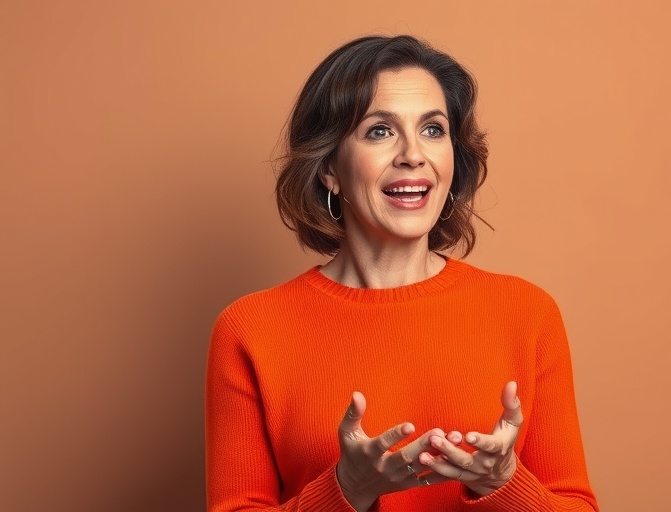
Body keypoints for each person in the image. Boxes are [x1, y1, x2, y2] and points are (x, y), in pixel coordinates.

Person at [205, 35, 598, 511]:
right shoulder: (250, 329)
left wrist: (504, 482)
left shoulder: (527, 313)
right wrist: (347, 488)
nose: (414, 154)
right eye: (379, 131)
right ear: (329, 168)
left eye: (433, 129)